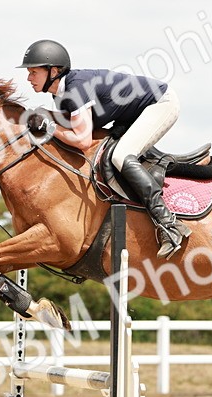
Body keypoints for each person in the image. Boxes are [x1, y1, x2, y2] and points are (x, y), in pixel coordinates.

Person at [18, 38, 190, 259]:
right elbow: (72, 123)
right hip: (132, 115)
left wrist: (49, 127)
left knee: (121, 156)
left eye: (33, 72)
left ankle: (169, 225)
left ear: (53, 70)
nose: (28, 78)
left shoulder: (76, 88)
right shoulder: (61, 95)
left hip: (161, 104)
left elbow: (82, 141)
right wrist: (43, 116)